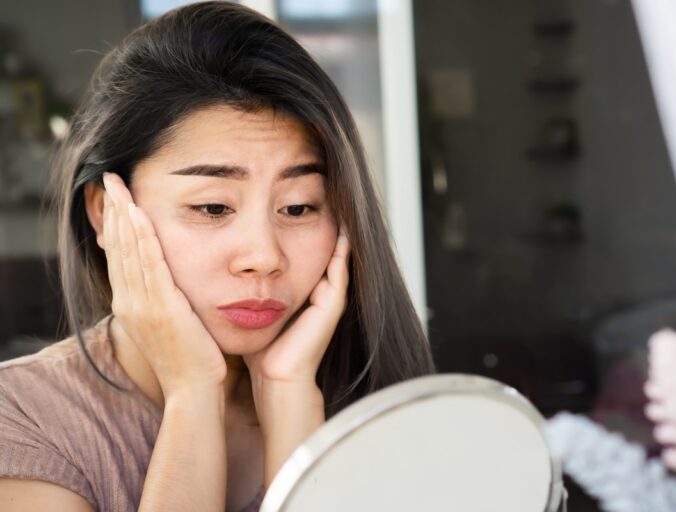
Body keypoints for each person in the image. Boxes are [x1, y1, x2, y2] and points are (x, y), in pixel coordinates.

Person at [0, 2, 435, 511]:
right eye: (212, 206)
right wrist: (191, 392)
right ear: (105, 211)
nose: (263, 256)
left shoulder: (382, 404)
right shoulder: (23, 420)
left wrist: (290, 395)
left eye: (298, 207)